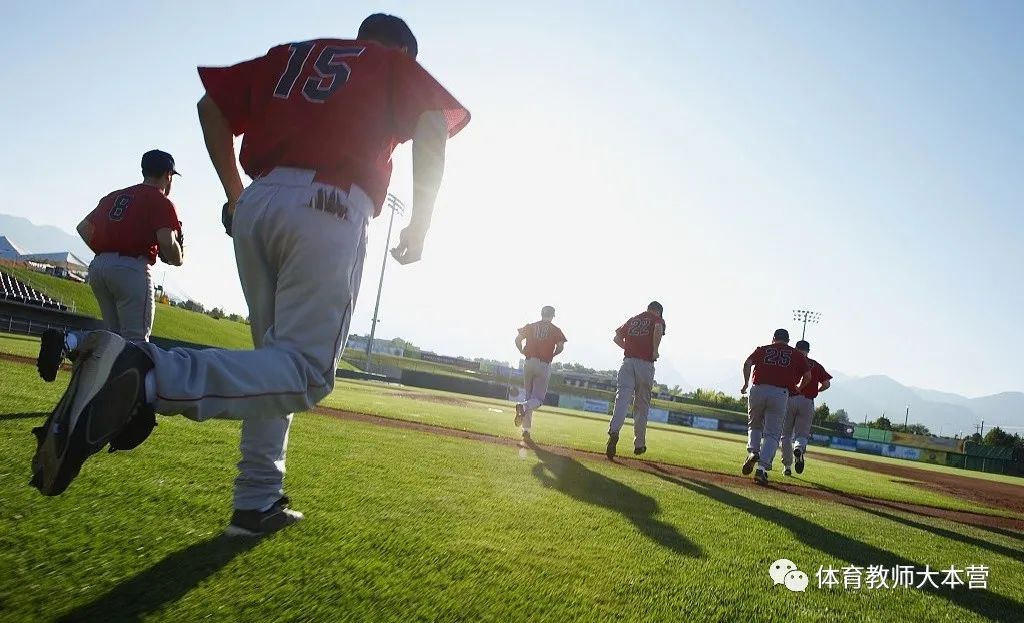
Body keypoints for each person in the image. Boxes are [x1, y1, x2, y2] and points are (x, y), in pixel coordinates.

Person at [30, 14, 470, 538]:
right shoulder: (393, 63)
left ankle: (256, 499)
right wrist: (420, 224)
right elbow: (432, 123)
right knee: (305, 373)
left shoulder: (292, 53)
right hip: (330, 203)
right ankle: (145, 374)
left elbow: (209, 106)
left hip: (259, 202)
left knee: (273, 364)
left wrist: (237, 194)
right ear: (402, 48)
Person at [37, 151, 184, 382]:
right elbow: (167, 243)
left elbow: (83, 228)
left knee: (112, 338)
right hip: (132, 268)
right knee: (136, 344)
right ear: (168, 175)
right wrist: (178, 256)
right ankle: (129, 406)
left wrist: (107, 249)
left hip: (99, 266)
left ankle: (71, 341)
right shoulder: (161, 200)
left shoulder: (115, 196)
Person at [740, 328, 811, 484]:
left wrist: (746, 383)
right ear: (788, 340)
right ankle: (761, 469)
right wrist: (799, 387)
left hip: (758, 389)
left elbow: (747, 363)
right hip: (780, 393)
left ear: (773, 338)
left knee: (755, 426)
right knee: (772, 434)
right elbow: (808, 376)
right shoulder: (796, 354)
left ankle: (753, 451)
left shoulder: (762, 349)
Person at [606, 301, 664, 459]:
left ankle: (614, 431)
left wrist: (629, 348)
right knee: (641, 405)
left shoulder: (633, 319)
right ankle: (639, 444)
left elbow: (617, 337)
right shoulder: (657, 319)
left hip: (627, 362)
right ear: (658, 311)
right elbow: (658, 329)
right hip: (644, 364)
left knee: (622, 399)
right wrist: (655, 350)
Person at [513, 306, 567, 441]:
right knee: (537, 400)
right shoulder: (555, 330)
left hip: (529, 362)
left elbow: (517, 340)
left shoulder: (531, 326)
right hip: (544, 364)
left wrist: (521, 351)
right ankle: (523, 407)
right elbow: (560, 346)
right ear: (552, 315)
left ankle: (526, 430)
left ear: (541, 314)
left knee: (529, 397)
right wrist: (553, 354)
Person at [779, 340, 831, 476]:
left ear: (795, 348)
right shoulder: (816, 365)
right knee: (801, 435)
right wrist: (817, 390)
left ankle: (787, 467)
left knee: (786, 435)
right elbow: (826, 384)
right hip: (807, 401)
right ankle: (799, 449)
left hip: (789, 399)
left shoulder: (790, 361)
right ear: (808, 350)